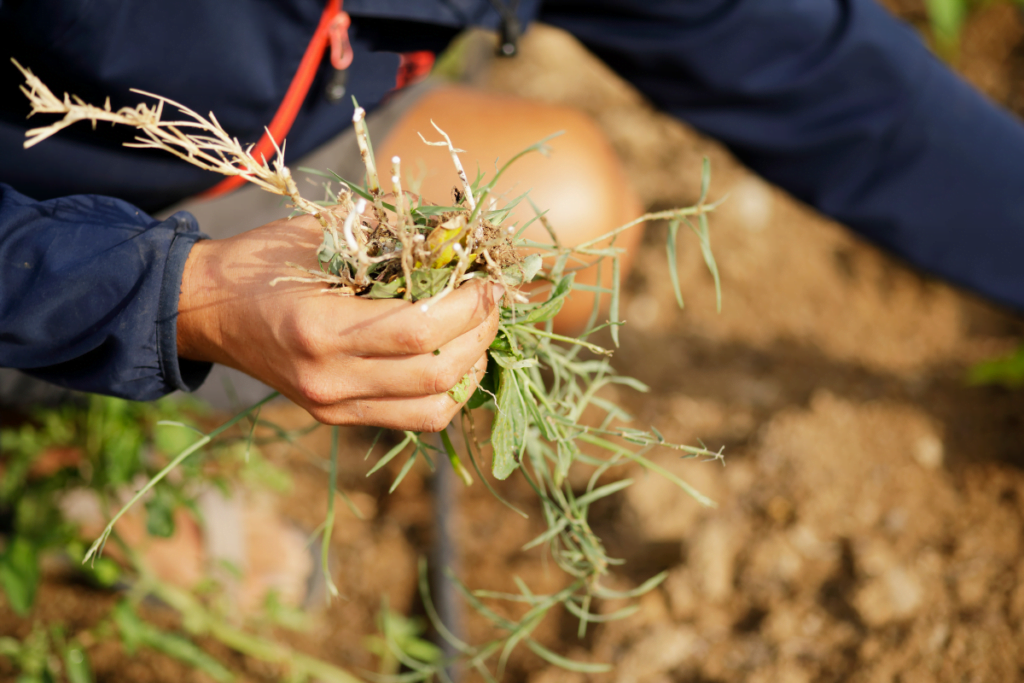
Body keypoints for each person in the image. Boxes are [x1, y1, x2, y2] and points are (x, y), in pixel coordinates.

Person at [3, 0, 1023, 429]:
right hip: (37, 220)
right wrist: (172, 297)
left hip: (234, 168)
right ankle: (77, 431)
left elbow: (826, 81)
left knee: (555, 215)